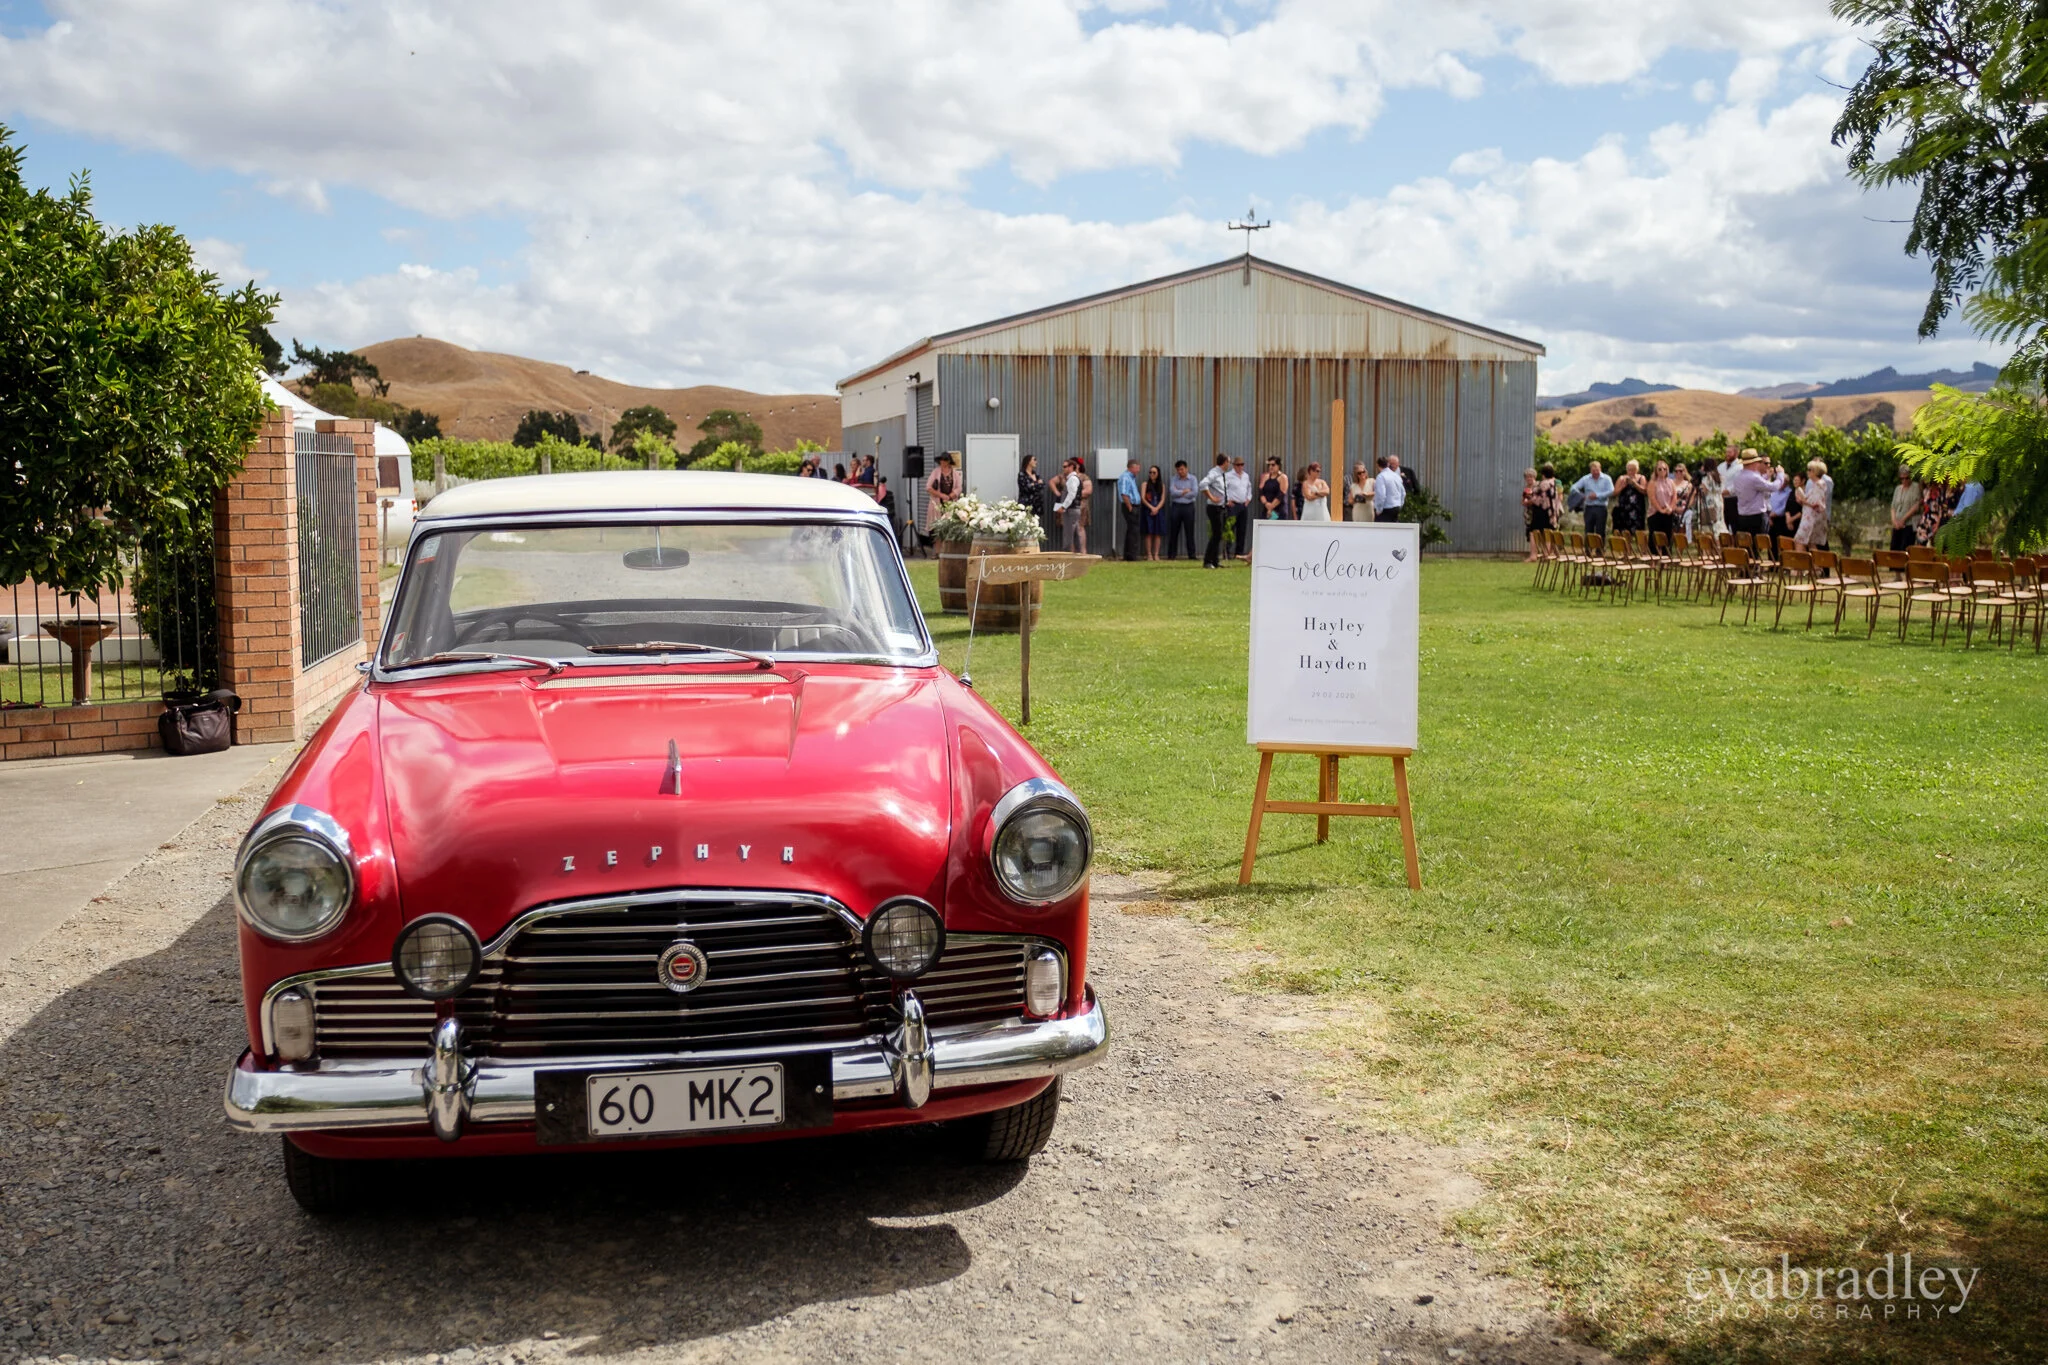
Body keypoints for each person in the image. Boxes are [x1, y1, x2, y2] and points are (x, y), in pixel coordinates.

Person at [1726, 450, 1783, 538]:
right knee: (1758, 545)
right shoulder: (1754, 477)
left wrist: (1767, 476)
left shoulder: (1738, 476)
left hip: (1742, 516)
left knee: (1748, 544)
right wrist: (1780, 475)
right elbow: (1773, 487)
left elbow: (1756, 485)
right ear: (1753, 463)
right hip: (1756, 517)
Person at [1199, 453, 1229, 568]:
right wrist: (1211, 497)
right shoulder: (1214, 473)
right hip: (1214, 508)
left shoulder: (1222, 474)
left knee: (1218, 534)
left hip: (1221, 507)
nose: (1229, 465)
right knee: (1216, 534)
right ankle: (1207, 560)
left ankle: (1215, 561)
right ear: (1224, 462)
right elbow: (1203, 484)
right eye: (1228, 462)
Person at [1570, 460, 1613, 538]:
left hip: (1601, 507)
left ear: (1600, 469)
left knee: (1600, 529)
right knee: (1588, 529)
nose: (1595, 472)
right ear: (1590, 470)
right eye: (1593, 471)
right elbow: (1573, 487)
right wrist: (1581, 495)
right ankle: (1588, 548)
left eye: (1597, 470)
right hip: (1589, 507)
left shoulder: (1607, 479)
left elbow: (1611, 491)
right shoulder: (1586, 478)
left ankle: (1599, 548)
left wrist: (1597, 495)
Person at [1165, 460, 1199, 558]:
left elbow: (1194, 493)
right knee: (1174, 531)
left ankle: (1192, 555)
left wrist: (1179, 492)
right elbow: (1172, 492)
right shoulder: (1174, 479)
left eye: (1182, 469)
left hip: (1189, 506)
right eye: (1178, 470)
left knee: (1189, 532)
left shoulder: (1193, 479)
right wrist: (1184, 491)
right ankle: (1171, 555)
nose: (1180, 471)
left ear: (1186, 468)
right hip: (1176, 506)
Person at [926, 451, 961, 540]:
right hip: (937, 504)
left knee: (949, 527)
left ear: (949, 461)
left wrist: (949, 496)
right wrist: (941, 495)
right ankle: (937, 551)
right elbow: (928, 487)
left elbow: (959, 488)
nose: (943, 462)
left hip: (950, 504)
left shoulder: (955, 473)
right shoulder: (935, 472)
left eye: (945, 460)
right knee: (936, 529)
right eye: (941, 460)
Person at [1795, 461, 1830, 549]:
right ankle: (1814, 562)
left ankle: (1800, 562)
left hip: (1811, 518)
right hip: (1809, 517)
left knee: (1799, 540)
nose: (1808, 472)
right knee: (1811, 543)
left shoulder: (1819, 484)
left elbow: (1815, 503)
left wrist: (1803, 500)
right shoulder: (1815, 484)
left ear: (1815, 471)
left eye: (1810, 470)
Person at [1055, 458, 1087, 553]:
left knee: (1068, 534)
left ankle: (1067, 555)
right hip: (1074, 509)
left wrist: (1063, 506)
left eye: (1065, 466)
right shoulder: (1073, 479)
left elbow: (1071, 495)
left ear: (1072, 467)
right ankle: (1078, 554)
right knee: (1076, 533)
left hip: (1071, 509)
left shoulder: (1072, 479)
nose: (1063, 468)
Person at [1888, 465, 1922, 551]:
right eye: (1902, 478)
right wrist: (1894, 521)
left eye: (1907, 478)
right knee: (1894, 549)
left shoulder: (1915, 487)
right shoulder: (1898, 489)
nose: (1904, 480)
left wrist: (1903, 520)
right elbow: (1893, 506)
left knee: (1904, 549)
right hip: (1897, 525)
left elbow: (1916, 506)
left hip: (1909, 524)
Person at [1226, 456, 1253, 561]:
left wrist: (1248, 498)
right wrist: (1227, 500)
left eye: (1242, 465)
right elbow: (1224, 488)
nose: (1240, 467)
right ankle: (1227, 552)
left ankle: (1239, 553)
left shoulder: (1246, 476)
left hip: (1243, 505)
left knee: (1242, 530)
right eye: (1238, 465)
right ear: (1234, 466)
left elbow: (1249, 488)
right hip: (1233, 505)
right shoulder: (1228, 476)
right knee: (1230, 529)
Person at [1611, 459, 1648, 536]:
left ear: (1637, 470)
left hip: (1637, 510)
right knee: (1624, 532)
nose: (1631, 472)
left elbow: (1645, 491)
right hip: (1624, 509)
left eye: (1633, 470)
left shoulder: (1641, 478)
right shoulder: (1621, 478)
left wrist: (1635, 484)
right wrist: (1622, 486)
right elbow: (1614, 493)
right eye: (1629, 470)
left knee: (1639, 532)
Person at [1017, 453, 1047, 541]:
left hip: (1037, 504)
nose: (1036, 462)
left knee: (1035, 525)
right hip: (1026, 504)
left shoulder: (1035, 474)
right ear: (1028, 461)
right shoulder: (1022, 474)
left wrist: (1034, 483)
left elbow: (1043, 485)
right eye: (1034, 459)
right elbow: (1027, 488)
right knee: (1026, 525)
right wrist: (1037, 483)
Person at [1117, 457, 1142, 562]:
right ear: (1132, 467)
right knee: (1133, 531)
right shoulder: (1125, 477)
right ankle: (1131, 556)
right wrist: (1130, 508)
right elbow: (1124, 493)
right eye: (1137, 468)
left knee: (1132, 530)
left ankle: (1129, 554)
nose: (1139, 471)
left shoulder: (1131, 478)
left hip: (1133, 506)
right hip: (1130, 506)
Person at [1692, 460, 1724, 541]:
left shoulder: (1707, 477)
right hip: (1718, 502)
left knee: (1707, 527)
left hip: (1708, 503)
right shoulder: (1719, 476)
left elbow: (1704, 491)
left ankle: (1708, 548)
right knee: (1718, 526)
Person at [1646, 460, 1677, 544]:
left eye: (1664, 469)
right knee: (1656, 538)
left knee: (1667, 537)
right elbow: (1652, 498)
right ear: (1656, 470)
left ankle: (1666, 554)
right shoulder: (1653, 483)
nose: (1662, 471)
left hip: (1668, 511)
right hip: (1655, 513)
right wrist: (1660, 510)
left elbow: (1674, 496)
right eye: (1660, 469)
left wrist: (1670, 508)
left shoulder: (1671, 482)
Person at [1140, 465, 1166, 561]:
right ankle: (1149, 554)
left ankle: (1156, 554)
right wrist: (1151, 508)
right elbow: (1142, 498)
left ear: (1158, 474)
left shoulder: (1162, 485)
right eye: (1150, 472)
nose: (1152, 474)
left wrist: (1157, 508)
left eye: (1154, 472)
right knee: (1148, 533)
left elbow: (1163, 499)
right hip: (1148, 511)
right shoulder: (1145, 484)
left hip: (1158, 511)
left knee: (1157, 533)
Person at [1717, 447, 1744, 535]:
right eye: (1726, 452)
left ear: (1736, 453)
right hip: (1721, 499)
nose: (1727, 454)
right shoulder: (1720, 466)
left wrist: (1728, 491)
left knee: (1734, 524)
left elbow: (1738, 483)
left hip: (1733, 499)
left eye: (1730, 452)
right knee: (1723, 523)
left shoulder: (1740, 467)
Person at [1374, 454, 1407, 523]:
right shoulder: (1396, 476)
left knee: (1382, 531)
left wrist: (1379, 509)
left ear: (1377, 465)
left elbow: (1381, 495)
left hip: (1386, 508)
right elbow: (1403, 493)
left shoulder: (1381, 477)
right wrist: (1400, 505)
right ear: (1388, 464)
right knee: (1394, 531)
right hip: (1396, 507)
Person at [1259, 458, 1287, 524]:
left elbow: (1281, 494)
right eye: (1269, 465)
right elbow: (1261, 491)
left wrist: (1271, 507)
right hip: (1267, 508)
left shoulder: (1283, 477)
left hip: (1279, 510)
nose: (1270, 467)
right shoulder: (1265, 476)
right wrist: (1266, 504)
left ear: (1278, 466)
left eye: (1273, 465)